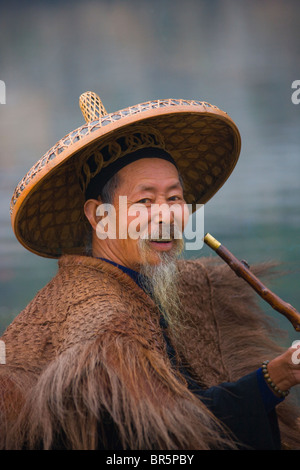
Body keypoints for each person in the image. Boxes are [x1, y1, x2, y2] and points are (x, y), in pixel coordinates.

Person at [0, 91, 300, 450]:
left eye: (174, 198)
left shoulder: (148, 281)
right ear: (99, 215)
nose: (167, 215)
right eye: (145, 201)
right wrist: (274, 377)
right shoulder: (98, 320)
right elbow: (158, 436)